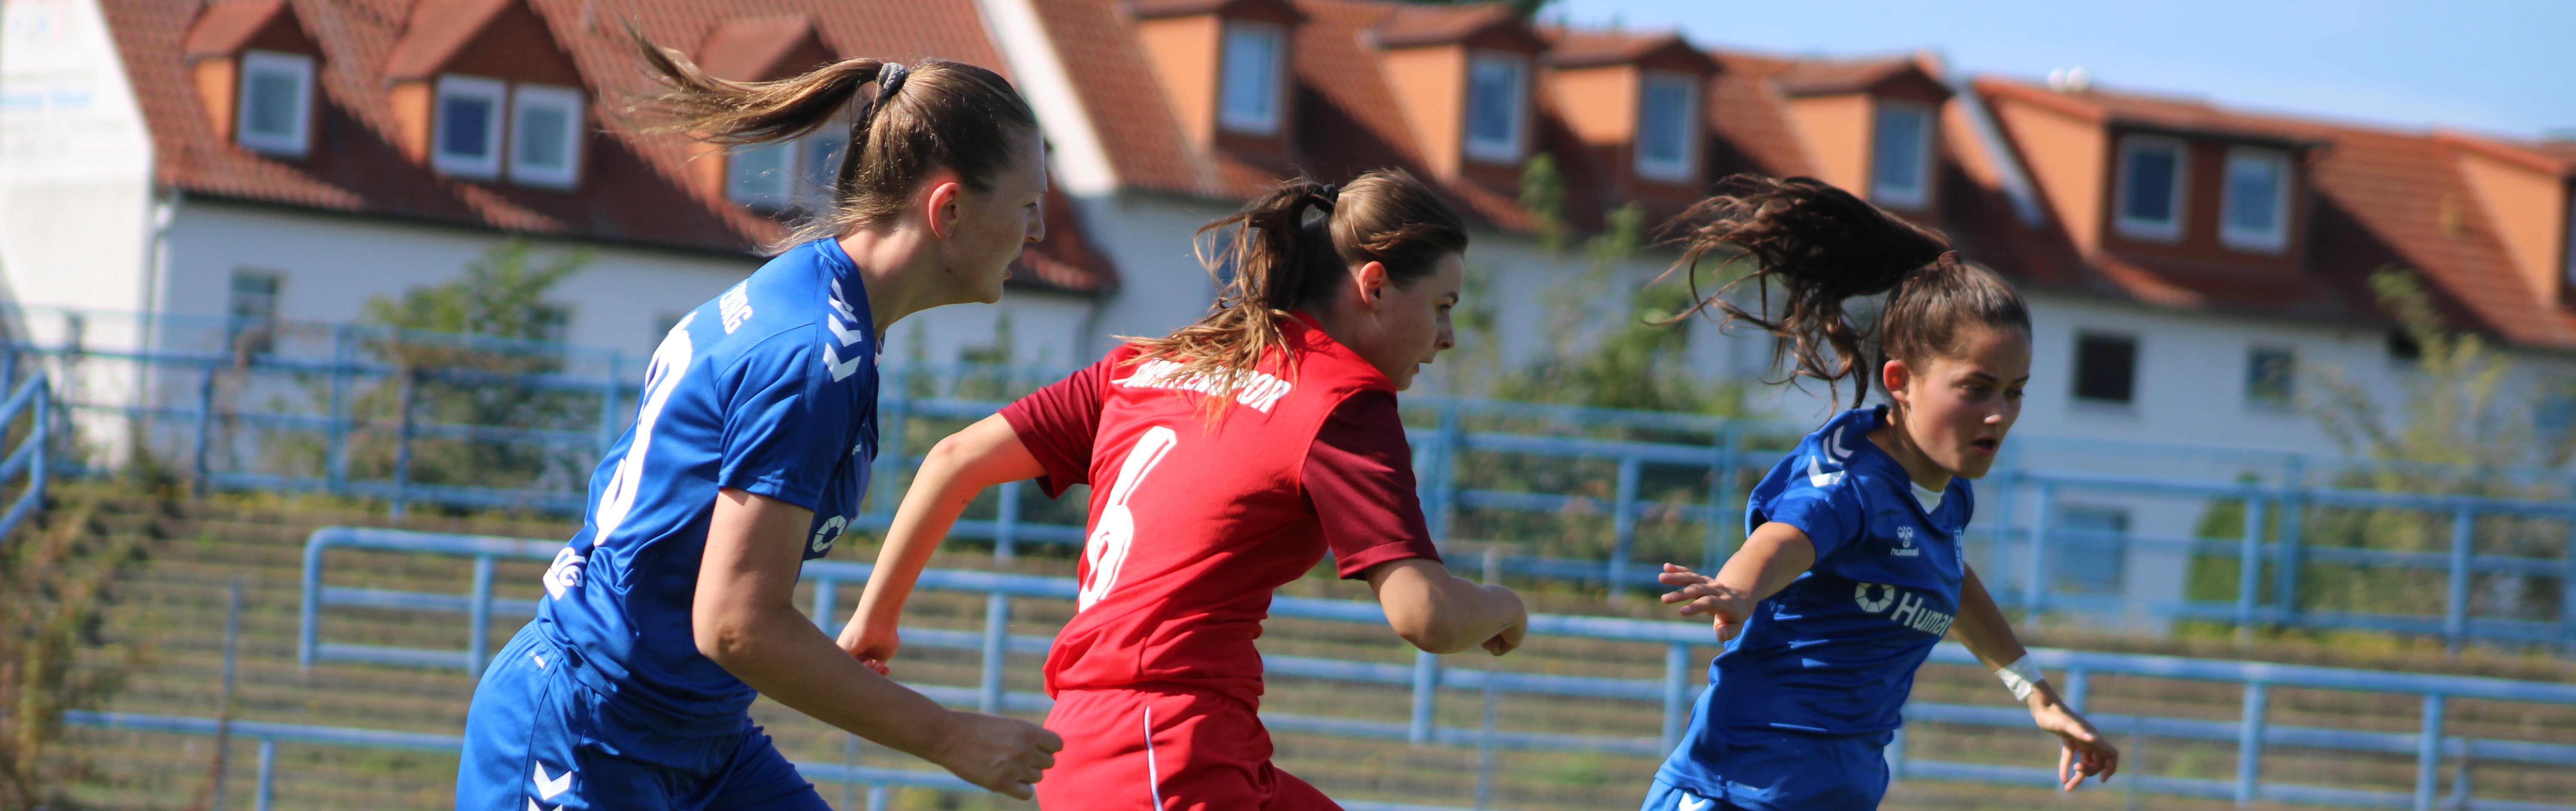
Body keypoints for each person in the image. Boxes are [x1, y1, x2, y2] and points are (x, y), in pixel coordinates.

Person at [455, 38, 1063, 811]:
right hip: (584, 739)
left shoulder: (823, 299)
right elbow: (736, 624)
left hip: (697, 738)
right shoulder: (811, 356)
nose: (1038, 233)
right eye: (1027, 206)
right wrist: (949, 735)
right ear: (947, 210)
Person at [840, 171, 1529, 810]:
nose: (1447, 337)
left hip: (1124, 737)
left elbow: (954, 457)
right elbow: (1426, 614)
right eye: (1442, 306)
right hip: (1164, 747)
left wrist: (875, 620)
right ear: (1374, 285)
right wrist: (1503, 606)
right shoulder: (1344, 400)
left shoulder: (1152, 364)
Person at [1640, 176, 2118, 811]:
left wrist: (2038, 695)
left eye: (2015, 391)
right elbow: (1784, 542)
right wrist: (1738, 588)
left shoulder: (1942, 502)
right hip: (1736, 794)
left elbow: (1947, 577)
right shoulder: (1850, 484)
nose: (2000, 413)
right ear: (1902, 381)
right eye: (1976, 388)